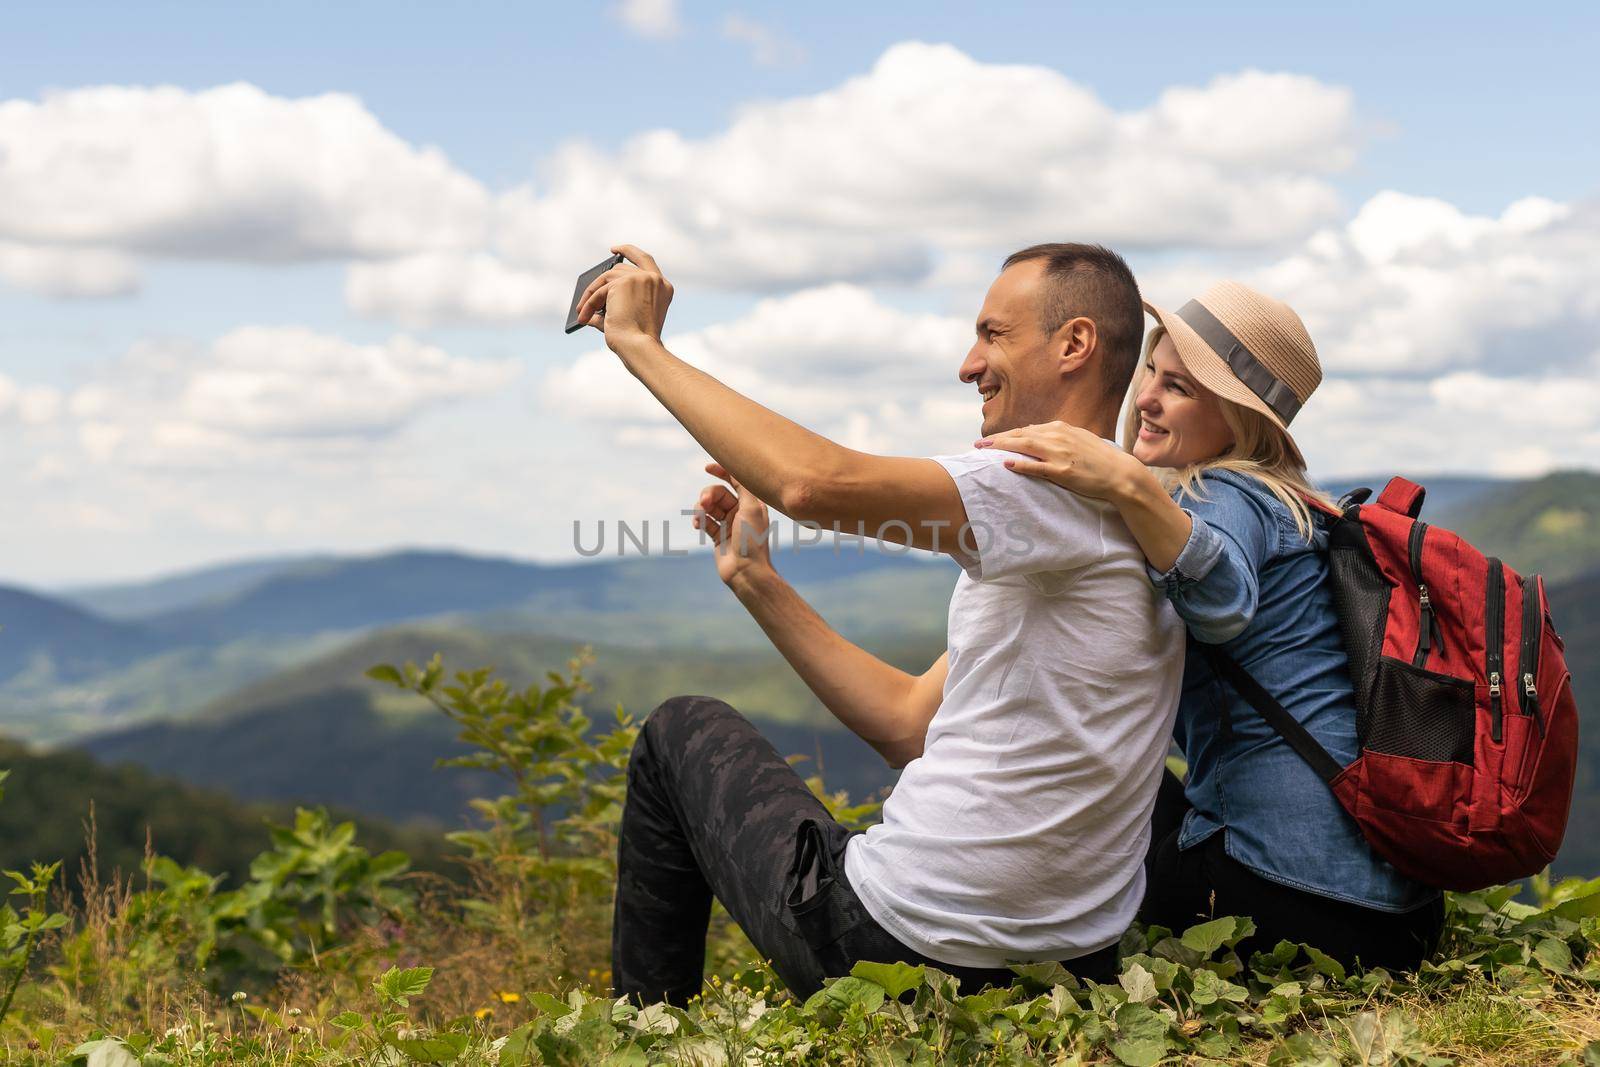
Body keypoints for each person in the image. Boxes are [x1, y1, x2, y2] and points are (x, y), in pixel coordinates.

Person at [573, 242, 1185, 1007]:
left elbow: (810, 482)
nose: (969, 364)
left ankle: (642, 1035)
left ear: (1075, 344)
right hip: (1067, 966)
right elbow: (905, 724)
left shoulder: (1040, 479)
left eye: (994, 334)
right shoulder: (1144, 510)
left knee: (677, 732)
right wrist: (758, 581)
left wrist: (640, 346)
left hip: (892, 949)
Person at [974, 281, 1445, 971]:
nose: (1146, 399)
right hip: (1402, 917)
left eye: (1180, 388)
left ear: (1238, 420)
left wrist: (1125, 482)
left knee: (1088, 792)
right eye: (1152, 375)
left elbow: (1223, 597)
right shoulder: (1303, 508)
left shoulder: (1224, 492)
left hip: (1291, 904)